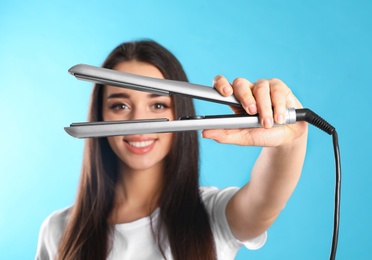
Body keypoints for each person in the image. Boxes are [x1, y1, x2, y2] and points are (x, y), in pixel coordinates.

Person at [35, 40, 308, 260]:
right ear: (99, 114)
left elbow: (265, 202)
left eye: (157, 105)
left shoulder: (211, 215)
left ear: (181, 111)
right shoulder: (59, 230)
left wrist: (290, 138)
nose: (139, 124)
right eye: (120, 105)